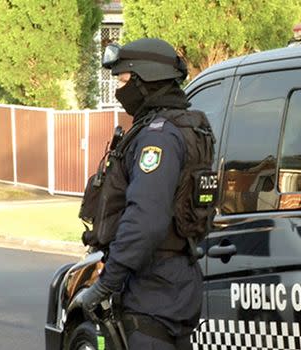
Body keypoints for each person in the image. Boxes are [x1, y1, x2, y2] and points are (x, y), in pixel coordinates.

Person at [73, 38, 211, 350]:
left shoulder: (158, 138)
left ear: (144, 80)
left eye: (123, 80)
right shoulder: (186, 128)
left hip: (154, 289)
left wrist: (107, 283)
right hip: (171, 284)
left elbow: (146, 220)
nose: (120, 90)